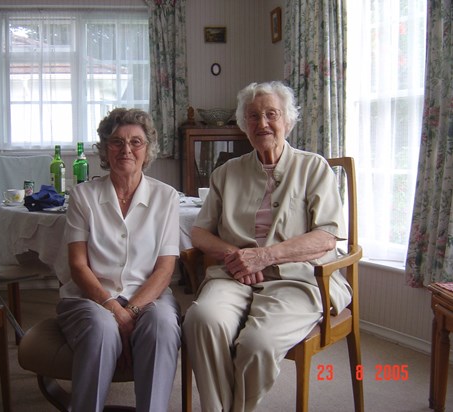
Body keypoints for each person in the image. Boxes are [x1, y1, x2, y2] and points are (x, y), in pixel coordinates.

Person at [182, 81, 352, 412]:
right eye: (253, 117)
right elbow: (200, 233)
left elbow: (327, 236)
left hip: (299, 277)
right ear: (244, 126)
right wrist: (236, 257)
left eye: (271, 114)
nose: (262, 124)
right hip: (233, 275)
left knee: (257, 344)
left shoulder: (312, 167)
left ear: (287, 120)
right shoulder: (226, 172)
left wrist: (264, 256)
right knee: (201, 319)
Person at [57, 108, 181, 412]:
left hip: (149, 296)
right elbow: (77, 265)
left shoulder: (166, 197)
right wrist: (114, 308)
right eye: (116, 142)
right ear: (104, 149)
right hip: (91, 298)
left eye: (136, 142)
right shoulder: (83, 196)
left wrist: (133, 310)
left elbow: (165, 268)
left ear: (148, 149)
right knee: (101, 328)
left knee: (162, 324)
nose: (126, 149)